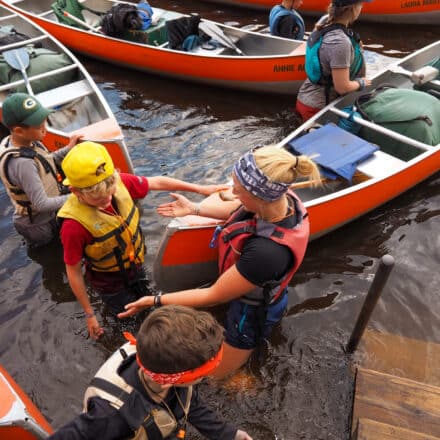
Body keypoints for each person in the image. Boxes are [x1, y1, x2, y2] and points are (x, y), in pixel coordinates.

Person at [119, 146, 320, 379]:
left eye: (238, 189)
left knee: (217, 377)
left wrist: (154, 300)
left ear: (259, 197)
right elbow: (238, 208)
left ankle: (245, 381)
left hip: (251, 310)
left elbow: (212, 295)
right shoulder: (282, 198)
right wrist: (195, 208)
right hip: (251, 282)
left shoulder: (267, 253)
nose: (231, 192)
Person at [57, 141, 225, 340]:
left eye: (110, 193)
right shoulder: (73, 227)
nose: (107, 201)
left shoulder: (120, 183)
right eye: (98, 200)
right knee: (127, 318)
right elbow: (74, 272)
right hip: (109, 282)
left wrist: (202, 189)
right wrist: (89, 314)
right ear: (76, 191)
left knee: (148, 300)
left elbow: (157, 182)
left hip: (134, 265)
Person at [47, 305, 252, 440]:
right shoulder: (108, 416)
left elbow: (190, 403)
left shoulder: (163, 363)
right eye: (203, 373)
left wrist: (230, 434)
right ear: (168, 381)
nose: (208, 376)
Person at [0, 92, 82, 247]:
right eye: (39, 126)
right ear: (18, 131)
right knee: (50, 252)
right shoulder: (22, 163)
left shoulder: (29, 141)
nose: (45, 129)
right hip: (37, 226)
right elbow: (41, 204)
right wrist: (78, 196)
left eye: (45, 122)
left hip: (47, 215)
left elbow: (47, 161)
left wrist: (69, 148)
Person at [295, 0, 372, 121]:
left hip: (306, 99)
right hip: (318, 109)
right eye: (360, 4)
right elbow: (342, 87)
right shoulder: (340, 42)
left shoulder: (324, 24)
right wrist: (362, 83)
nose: (362, 8)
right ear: (352, 9)